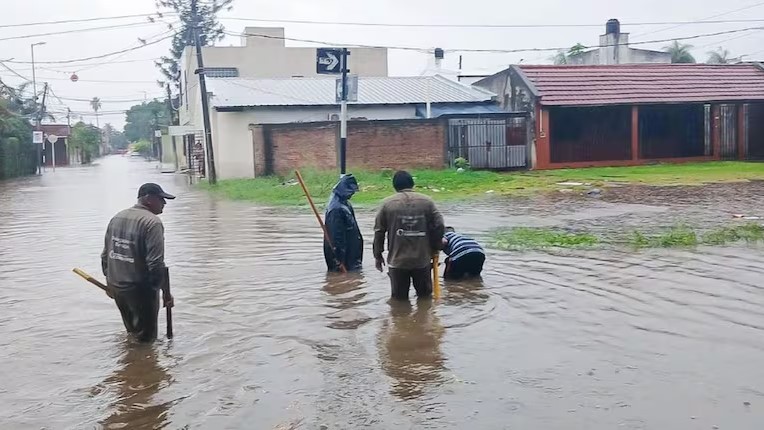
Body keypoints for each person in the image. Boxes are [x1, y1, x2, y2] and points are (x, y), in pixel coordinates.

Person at [101, 183, 175, 343]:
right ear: (148, 199)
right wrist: (165, 292)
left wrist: (110, 283)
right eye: (161, 199)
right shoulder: (153, 223)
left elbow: (106, 256)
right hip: (140, 291)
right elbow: (155, 264)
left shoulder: (117, 217)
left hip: (118, 287)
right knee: (147, 340)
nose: (164, 203)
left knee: (133, 333)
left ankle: (132, 357)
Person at [373, 171, 445, 300]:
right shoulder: (427, 202)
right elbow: (439, 225)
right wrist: (435, 245)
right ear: (412, 184)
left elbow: (379, 231)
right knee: (425, 298)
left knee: (399, 301)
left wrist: (378, 255)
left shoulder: (387, 204)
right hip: (422, 260)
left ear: (395, 186)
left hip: (397, 261)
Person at [324, 173, 363, 272]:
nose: (352, 194)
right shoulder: (336, 209)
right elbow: (336, 237)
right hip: (344, 259)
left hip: (351, 255)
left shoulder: (345, 204)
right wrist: (339, 260)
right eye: (351, 191)